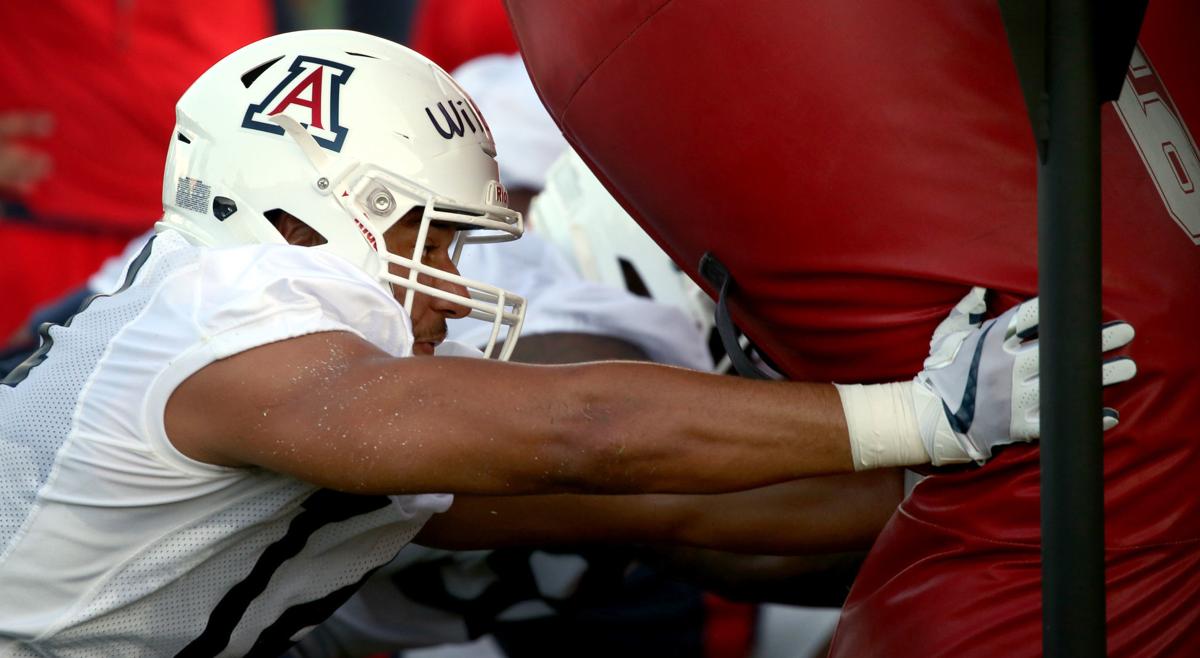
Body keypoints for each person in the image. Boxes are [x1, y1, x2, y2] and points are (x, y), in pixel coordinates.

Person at [0, 30, 1134, 657]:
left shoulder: (221, 303)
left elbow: (678, 507)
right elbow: (583, 432)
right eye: (429, 237)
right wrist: (926, 415)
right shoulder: (239, 319)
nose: (451, 279)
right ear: (305, 208)